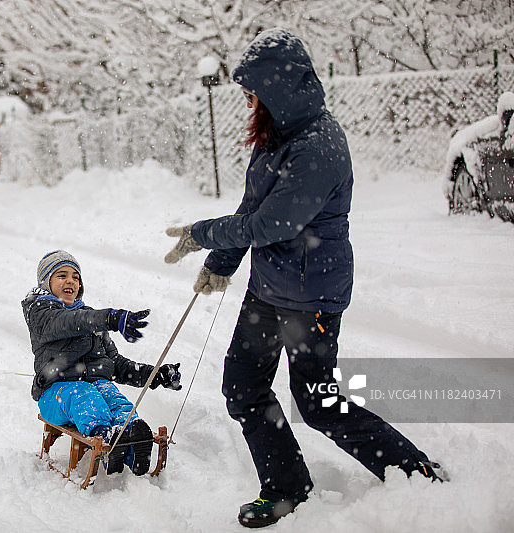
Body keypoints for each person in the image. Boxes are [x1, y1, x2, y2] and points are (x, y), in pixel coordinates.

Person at [165, 29, 444, 528]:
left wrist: (203, 233)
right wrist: (220, 263)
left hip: (311, 294)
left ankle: (414, 472)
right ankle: (287, 487)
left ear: (275, 89)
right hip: (268, 289)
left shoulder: (319, 143)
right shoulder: (275, 140)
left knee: (316, 402)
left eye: (252, 94)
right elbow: (252, 208)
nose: (248, 104)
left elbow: (274, 223)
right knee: (242, 386)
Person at [22, 249, 182, 476]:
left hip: (94, 388)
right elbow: (67, 322)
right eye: (62, 275)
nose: (70, 281)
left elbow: (116, 364)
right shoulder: (41, 313)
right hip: (55, 396)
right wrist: (108, 318)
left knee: (112, 395)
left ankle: (132, 444)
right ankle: (106, 439)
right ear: (46, 283)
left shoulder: (89, 320)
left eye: (75, 277)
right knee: (84, 394)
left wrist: (155, 375)